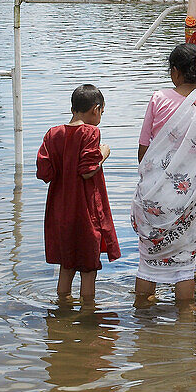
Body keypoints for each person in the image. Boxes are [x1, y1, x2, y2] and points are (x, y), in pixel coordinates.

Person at [132, 44, 196, 305]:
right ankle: (184, 332)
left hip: (155, 199)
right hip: (190, 201)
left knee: (147, 263)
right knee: (184, 268)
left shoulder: (159, 98)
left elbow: (144, 153)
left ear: (175, 72)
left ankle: (142, 324)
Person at [36, 84, 121, 303]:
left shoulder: (52, 134)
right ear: (96, 109)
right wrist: (103, 154)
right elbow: (87, 171)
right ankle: (87, 316)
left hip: (59, 211)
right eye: (102, 112)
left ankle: (62, 310)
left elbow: (44, 172)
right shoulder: (90, 132)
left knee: (67, 265)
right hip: (85, 211)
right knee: (88, 268)